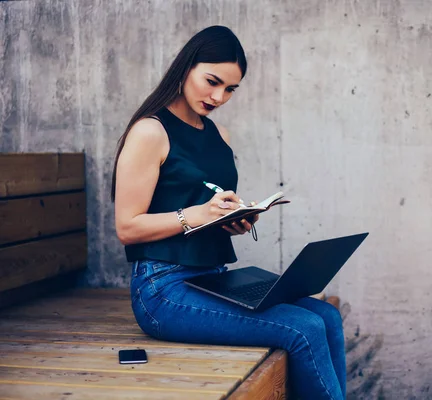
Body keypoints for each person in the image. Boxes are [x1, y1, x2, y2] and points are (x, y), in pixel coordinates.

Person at [111, 26, 346, 400]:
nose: (219, 96)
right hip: (163, 290)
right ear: (186, 67)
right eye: (212, 81)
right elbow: (127, 227)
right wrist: (197, 215)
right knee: (304, 328)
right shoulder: (150, 131)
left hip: (213, 279)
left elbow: (205, 210)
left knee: (327, 317)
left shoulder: (219, 136)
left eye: (230, 89)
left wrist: (229, 221)